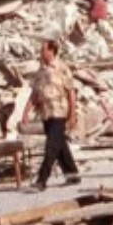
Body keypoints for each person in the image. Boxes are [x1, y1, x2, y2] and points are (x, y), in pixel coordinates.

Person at [32, 39, 81, 189]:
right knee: (60, 145)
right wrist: (27, 111)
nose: (41, 53)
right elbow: (34, 93)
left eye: (43, 50)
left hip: (60, 111)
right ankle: (72, 175)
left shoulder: (62, 68)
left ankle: (41, 180)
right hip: (46, 113)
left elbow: (71, 92)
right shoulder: (40, 71)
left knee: (51, 147)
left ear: (51, 51)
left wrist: (72, 115)